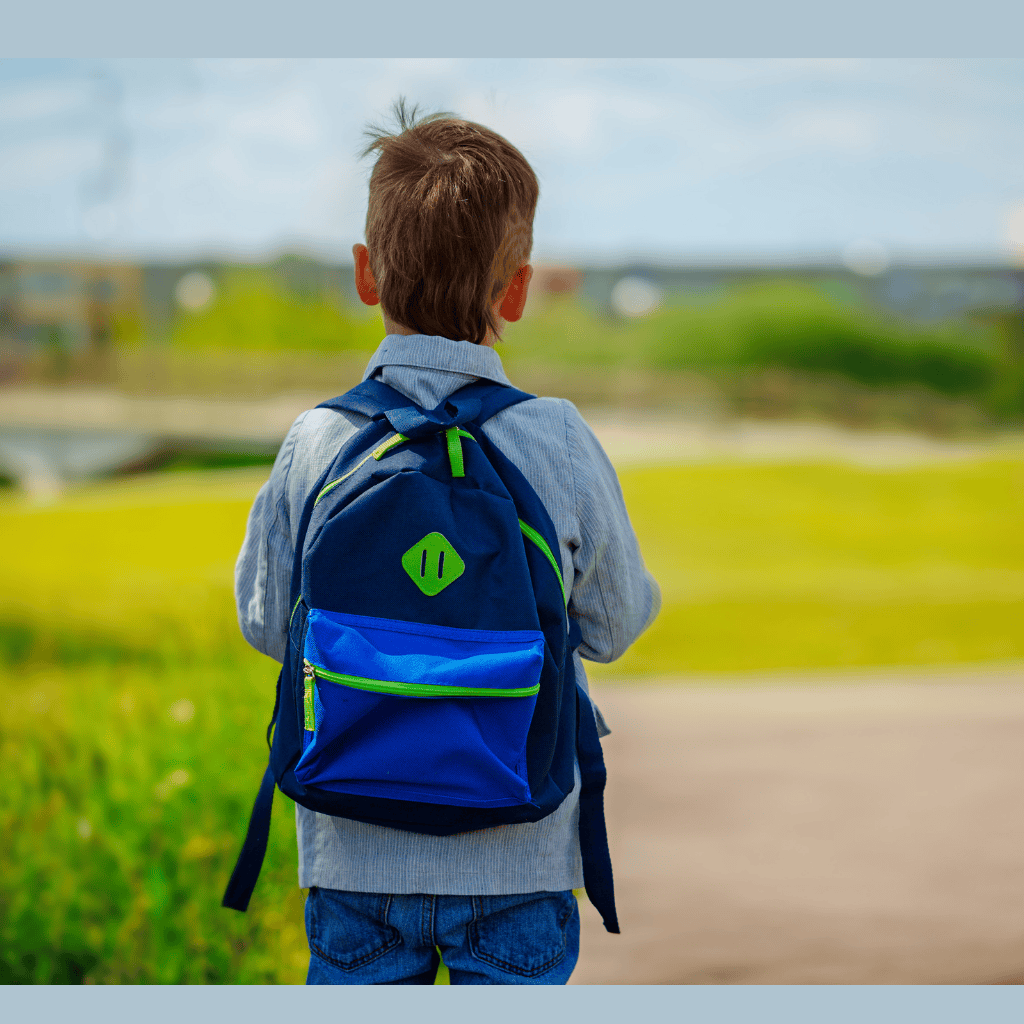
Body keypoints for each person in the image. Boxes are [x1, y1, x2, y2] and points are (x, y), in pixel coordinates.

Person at [234, 100, 660, 985]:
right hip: (521, 855)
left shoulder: (317, 440)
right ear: (518, 287)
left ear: (366, 273)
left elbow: (270, 625)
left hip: (354, 852)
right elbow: (614, 625)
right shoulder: (558, 439)